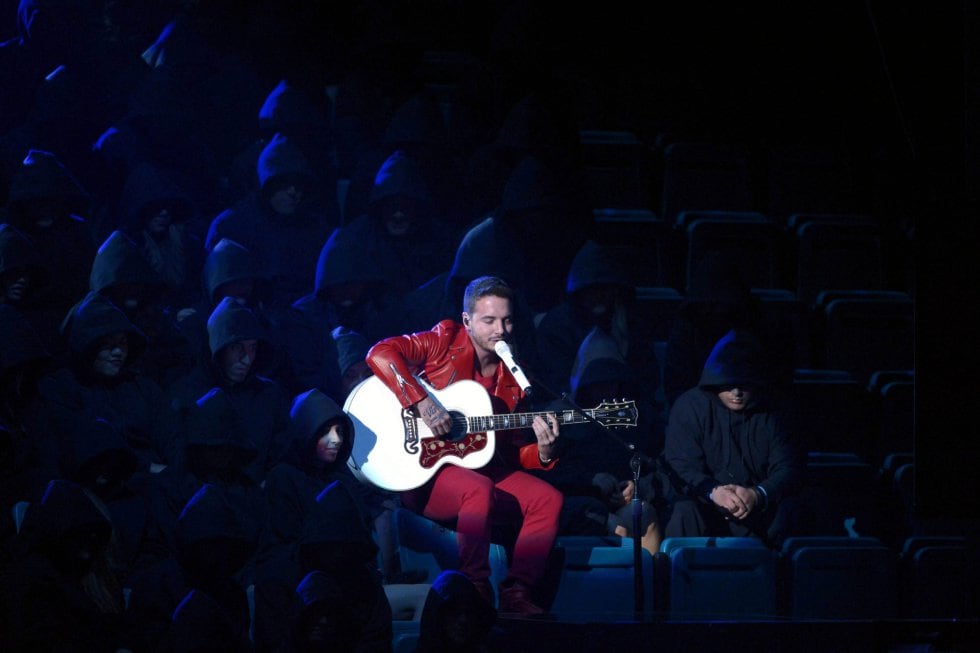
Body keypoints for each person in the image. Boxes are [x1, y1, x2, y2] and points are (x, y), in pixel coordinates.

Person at [365, 275, 563, 615]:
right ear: (467, 321)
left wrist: (544, 451)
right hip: (425, 471)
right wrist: (422, 402)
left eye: (507, 320)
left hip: (479, 469)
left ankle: (517, 592)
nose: (501, 330)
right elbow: (379, 353)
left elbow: (510, 451)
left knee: (548, 499)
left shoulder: (514, 378)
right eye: (489, 320)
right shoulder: (442, 341)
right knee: (478, 488)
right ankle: (475, 587)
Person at [662, 329, 804, 546]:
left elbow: (788, 466)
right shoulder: (690, 407)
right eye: (729, 384)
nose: (737, 392)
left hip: (757, 507)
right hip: (706, 505)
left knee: (793, 509)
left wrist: (758, 494)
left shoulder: (774, 412)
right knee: (684, 511)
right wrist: (713, 492)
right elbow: (680, 464)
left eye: (744, 385)